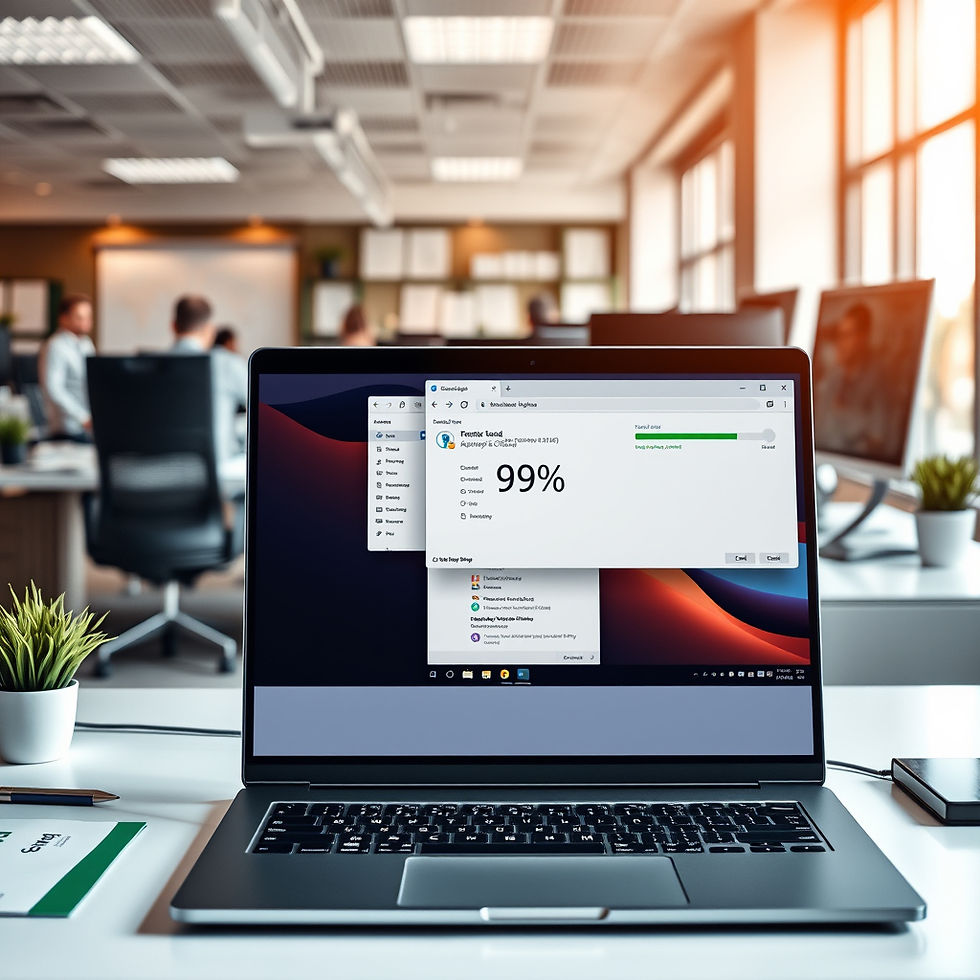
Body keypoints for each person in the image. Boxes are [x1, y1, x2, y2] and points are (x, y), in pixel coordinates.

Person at [813, 302, 895, 460]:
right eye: (839, 335)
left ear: (863, 337)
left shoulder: (879, 381)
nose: (840, 343)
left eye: (847, 335)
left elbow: (877, 440)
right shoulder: (834, 377)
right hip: (822, 462)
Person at [170, 295, 247, 462]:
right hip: (218, 477)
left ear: (173, 326)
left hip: (159, 476)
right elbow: (263, 405)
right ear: (209, 330)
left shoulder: (149, 368)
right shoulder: (228, 364)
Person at [41, 293, 96, 442]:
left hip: (89, 426)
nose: (86, 322)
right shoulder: (55, 346)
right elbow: (53, 388)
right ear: (63, 318)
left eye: (88, 316)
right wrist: (82, 417)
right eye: (80, 317)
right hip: (67, 428)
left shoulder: (86, 344)